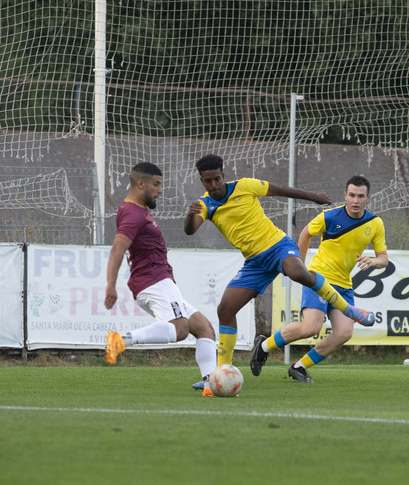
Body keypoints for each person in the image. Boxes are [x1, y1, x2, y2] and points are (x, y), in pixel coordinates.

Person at [183, 154, 375, 367]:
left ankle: (348, 309)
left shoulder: (245, 185)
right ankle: (222, 371)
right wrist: (191, 216)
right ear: (202, 181)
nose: (213, 185)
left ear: (223, 176)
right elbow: (191, 230)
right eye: (208, 181)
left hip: (278, 246)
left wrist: (314, 197)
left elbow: (282, 190)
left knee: (298, 273)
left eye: (216, 179)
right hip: (255, 263)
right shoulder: (205, 204)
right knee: (225, 310)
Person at [249, 175, 388, 383]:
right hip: (320, 278)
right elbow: (305, 233)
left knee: (343, 333)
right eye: (352, 195)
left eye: (360, 196)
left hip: (344, 285)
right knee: (310, 328)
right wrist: (300, 267)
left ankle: (299, 366)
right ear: (345, 196)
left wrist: (373, 261)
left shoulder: (375, 223)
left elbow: (384, 259)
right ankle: (263, 346)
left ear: (368, 197)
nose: (356, 201)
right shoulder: (330, 216)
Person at [103, 162, 218, 394]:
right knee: (179, 328)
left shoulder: (137, 210)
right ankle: (122, 340)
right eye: (156, 184)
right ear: (140, 183)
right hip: (153, 280)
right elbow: (118, 247)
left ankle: (210, 384)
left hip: (157, 280)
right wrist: (110, 284)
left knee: (204, 328)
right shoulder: (134, 214)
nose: (160, 190)